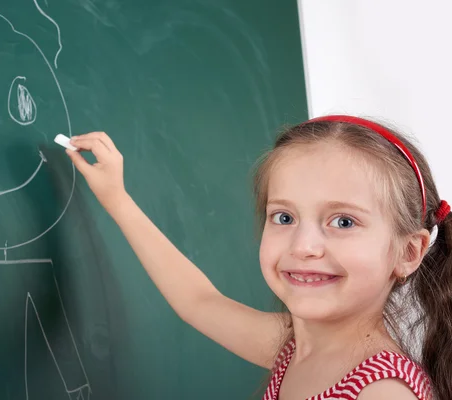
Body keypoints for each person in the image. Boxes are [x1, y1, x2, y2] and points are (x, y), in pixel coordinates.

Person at [65, 115, 451, 399]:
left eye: (344, 221)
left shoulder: (381, 392)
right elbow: (198, 302)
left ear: (408, 251)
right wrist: (117, 199)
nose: (303, 246)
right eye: (284, 217)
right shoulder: (292, 347)